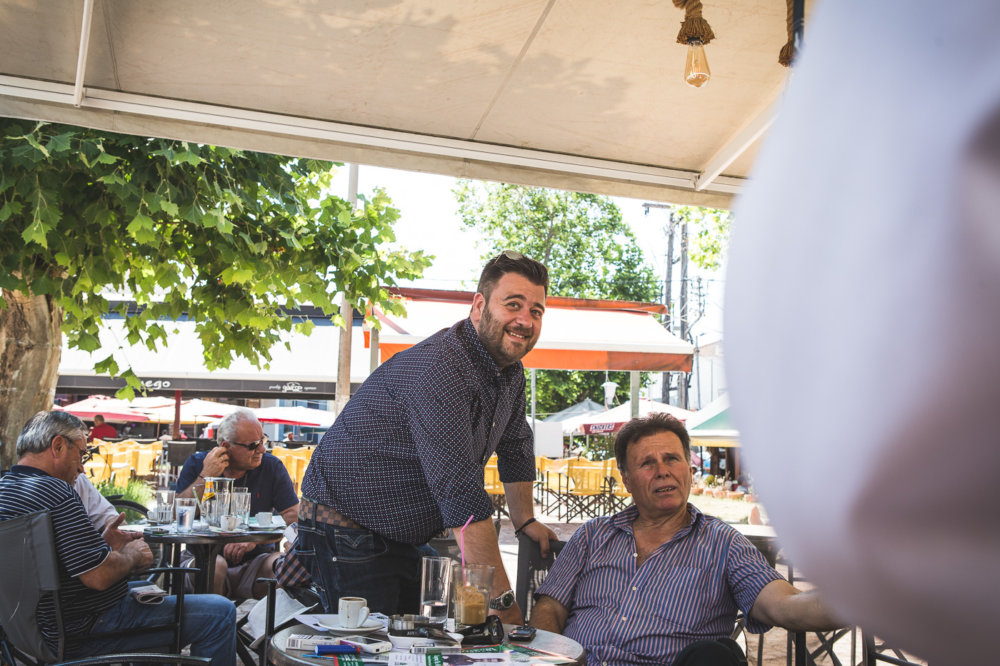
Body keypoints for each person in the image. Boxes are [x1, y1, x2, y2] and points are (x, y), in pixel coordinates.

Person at [299, 250, 557, 621]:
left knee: (420, 641)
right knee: (368, 647)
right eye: (513, 304)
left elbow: (516, 445)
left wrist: (526, 521)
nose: (525, 320)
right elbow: (461, 494)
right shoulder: (442, 368)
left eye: (536, 311)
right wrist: (503, 606)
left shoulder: (510, 372)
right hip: (345, 528)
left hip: (399, 535)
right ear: (479, 306)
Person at [531, 414, 840, 666]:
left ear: (690, 471)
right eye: (647, 463)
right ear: (626, 479)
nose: (662, 471)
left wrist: (857, 600)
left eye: (672, 459)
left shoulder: (723, 544)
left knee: (715, 656)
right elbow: (550, 608)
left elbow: (782, 604)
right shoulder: (592, 535)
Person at [0, 411, 235, 666]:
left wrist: (103, 547)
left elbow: (52, 565)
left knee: (148, 593)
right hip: (86, 630)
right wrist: (131, 556)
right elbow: (98, 576)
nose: (81, 467)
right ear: (57, 446)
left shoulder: (6, 490)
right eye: (81, 454)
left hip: (31, 634)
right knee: (220, 612)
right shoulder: (57, 492)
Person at [176, 408, 298, 599]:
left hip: (257, 561)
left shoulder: (271, 467)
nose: (261, 449)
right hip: (203, 557)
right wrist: (206, 476)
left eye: (263, 440)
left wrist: (253, 539)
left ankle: (261, 620)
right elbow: (179, 515)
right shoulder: (197, 464)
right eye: (253, 445)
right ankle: (215, 618)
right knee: (215, 567)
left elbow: (294, 517)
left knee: (282, 566)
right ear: (226, 446)